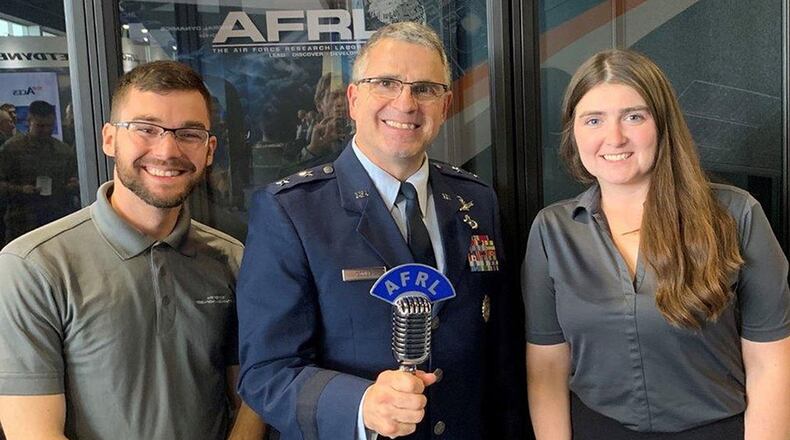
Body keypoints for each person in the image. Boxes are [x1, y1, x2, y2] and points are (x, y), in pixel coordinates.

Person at [237, 21, 524, 440]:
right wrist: (360, 404)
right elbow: (266, 373)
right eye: (386, 83)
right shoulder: (291, 211)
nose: (406, 103)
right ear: (354, 100)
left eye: (425, 89)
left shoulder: (478, 201)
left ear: (445, 106)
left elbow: (503, 360)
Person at [522, 49, 790, 440]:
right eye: (593, 120)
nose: (614, 137)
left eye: (634, 116)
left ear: (663, 124)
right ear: (573, 133)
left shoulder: (735, 215)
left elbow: (770, 363)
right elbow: (547, 367)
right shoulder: (552, 231)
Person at [0, 60, 266, 440]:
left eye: (189, 133)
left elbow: (251, 396)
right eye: (145, 129)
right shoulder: (34, 267)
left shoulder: (230, 259)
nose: (167, 150)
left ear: (209, 150)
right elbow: (32, 431)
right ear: (109, 139)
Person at [0, 100, 79, 244]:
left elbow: (73, 180)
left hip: (55, 220)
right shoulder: (12, 149)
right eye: (40, 126)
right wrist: (21, 189)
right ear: (29, 121)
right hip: (21, 222)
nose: (46, 130)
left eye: (50, 126)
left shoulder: (63, 151)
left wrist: (72, 186)